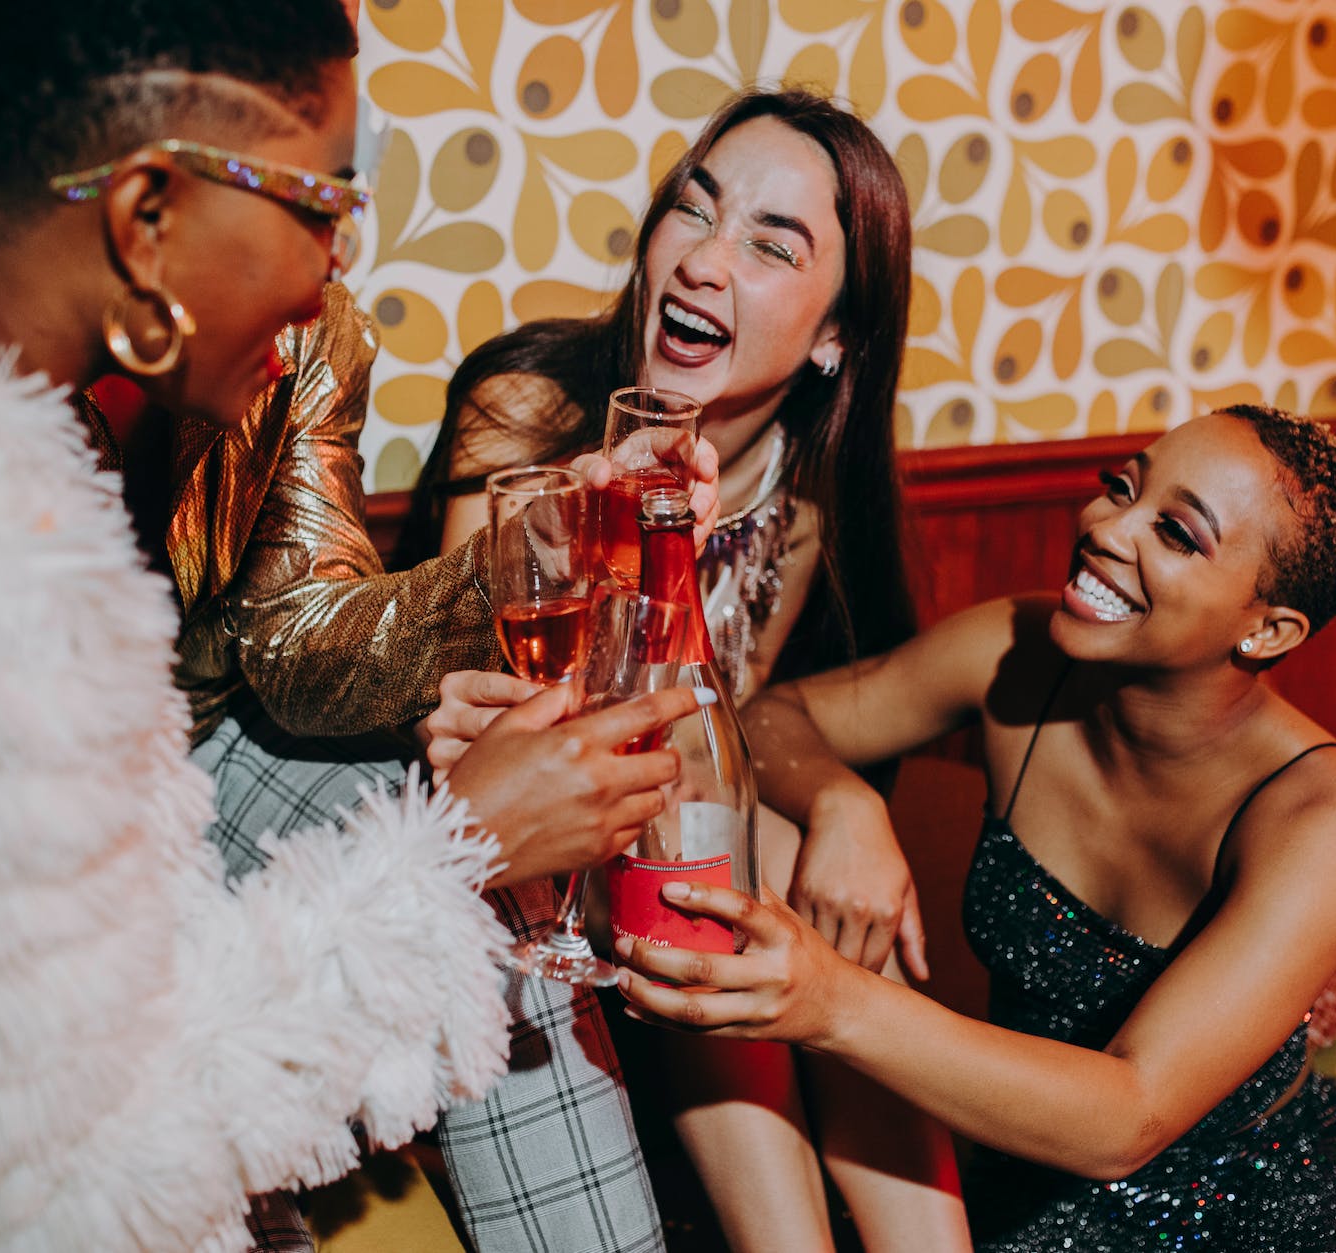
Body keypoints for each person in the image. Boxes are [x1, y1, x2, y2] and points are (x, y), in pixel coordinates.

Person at [0, 0, 707, 1247]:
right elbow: (68, 1173)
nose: (337, 261)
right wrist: (460, 847)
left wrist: (527, 562)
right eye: (324, 203)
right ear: (147, 216)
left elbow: (301, 634)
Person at [616, 405, 1336, 1251]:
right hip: (1015, 1184)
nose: (1107, 528)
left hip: (1248, 1217)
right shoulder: (1019, 649)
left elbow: (1129, 1114)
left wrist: (827, 998)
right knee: (766, 837)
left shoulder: (1335, 816)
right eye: (1122, 487)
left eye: (1178, 534)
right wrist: (842, 802)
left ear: (1268, 628)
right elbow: (778, 720)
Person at [409, 89, 972, 1251]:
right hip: (508, 849)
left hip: (659, 841)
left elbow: (727, 730)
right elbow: (496, 702)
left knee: (809, 917)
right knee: (712, 873)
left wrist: (845, 802)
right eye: (693, 208)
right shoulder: (526, 406)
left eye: (772, 244)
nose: (706, 260)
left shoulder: (797, 505)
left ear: (832, 339)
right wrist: (610, 505)